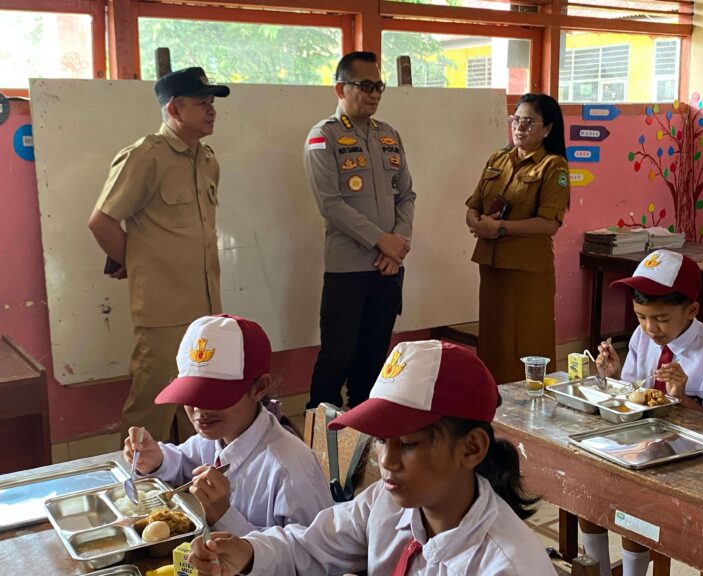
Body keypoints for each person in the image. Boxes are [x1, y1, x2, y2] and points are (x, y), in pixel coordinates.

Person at [186, 339, 557, 576]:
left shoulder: (506, 567)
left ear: (472, 448)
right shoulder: (389, 502)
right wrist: (248, 553)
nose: (387, 461)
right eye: (381, 440)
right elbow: (309, 545)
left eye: (409, 444)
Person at [580, 249, 703, 576]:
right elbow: (633, 393)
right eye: (641, 316)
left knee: (638, 503)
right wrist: (613, 378)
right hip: (641, 448)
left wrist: (682, 399)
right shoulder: (644, 337)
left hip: (693, 464)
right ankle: (597, 570)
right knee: (591, 487)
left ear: (692, 310)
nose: (649, 328)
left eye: (660, 319)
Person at [89, 67, 229, 443]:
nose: (211, 110)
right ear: (175, 109)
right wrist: (132, 264)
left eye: (212, 103)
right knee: (150, 407)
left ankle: (185, 484)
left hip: (205, 307)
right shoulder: (145, 156)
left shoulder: (207, 160)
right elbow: (101, 221)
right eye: (202, 103)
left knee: (196, 403)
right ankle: (136, 490)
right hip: (163, 309)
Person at [123, 314, 333, 535]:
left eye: (214, 398)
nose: (200, 411)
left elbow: (312, 555)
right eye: (191, 395)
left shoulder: (289, 469)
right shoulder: (219, 436)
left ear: (259, 388)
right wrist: (158, 460)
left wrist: (223, 515)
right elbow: (184, 461)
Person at [303, 51, 416, 410]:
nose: (374, 94)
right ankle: (320, 436)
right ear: (341, 88)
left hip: (388, 268)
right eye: (365, 86)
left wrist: (397, 246)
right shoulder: (324, 137)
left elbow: (407, 195)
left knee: (373, 358)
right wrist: (383, 241)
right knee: (337, 357)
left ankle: (365, 432)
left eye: (379, 86)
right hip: (347, 269)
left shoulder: (389, 135)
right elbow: (331, 204)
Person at [465, 93, 570, 384]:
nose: (519, 127)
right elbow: (474, 205)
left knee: (526, 339)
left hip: (527, 268)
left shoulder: (553, 166)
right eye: (516, 120)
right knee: (493, 337)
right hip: (492, 262)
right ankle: (492, 398)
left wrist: (499, 229)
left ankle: (531, 400)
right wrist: (476, 222)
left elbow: (549, 224)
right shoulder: (498, 158)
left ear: (547, 128)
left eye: (529, 122)